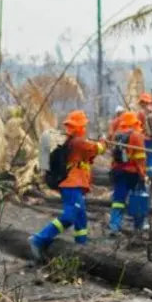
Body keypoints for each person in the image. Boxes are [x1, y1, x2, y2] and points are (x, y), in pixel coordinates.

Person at [30, 110, 105, 258]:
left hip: (74, 185)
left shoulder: (73, 142)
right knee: (69, 217)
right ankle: (39, 239)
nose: (85, 128)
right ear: (79, 127)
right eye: (83, 126)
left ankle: (81, 246)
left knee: (81, 218)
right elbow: (97, 149)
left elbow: (89, 155)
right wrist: (103, 141)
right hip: (72, 185)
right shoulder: (78, 142)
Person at [108, 111, 149, 233]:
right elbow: (140, 158)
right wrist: (142, 174)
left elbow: (113, 155)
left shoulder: (116, 135)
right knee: (139, 197)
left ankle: (114, 225)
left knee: (118, 199)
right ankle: (139, 225)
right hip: (133, 172)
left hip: (118, 171)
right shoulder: (137, 136)